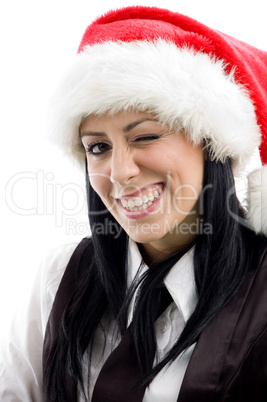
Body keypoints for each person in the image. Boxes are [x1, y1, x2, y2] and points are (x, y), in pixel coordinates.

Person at [1, 5, 267, 402]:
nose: (120, 171)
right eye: (98, 147)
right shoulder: (59, 277)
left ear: (211, 145)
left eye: (145, 137)